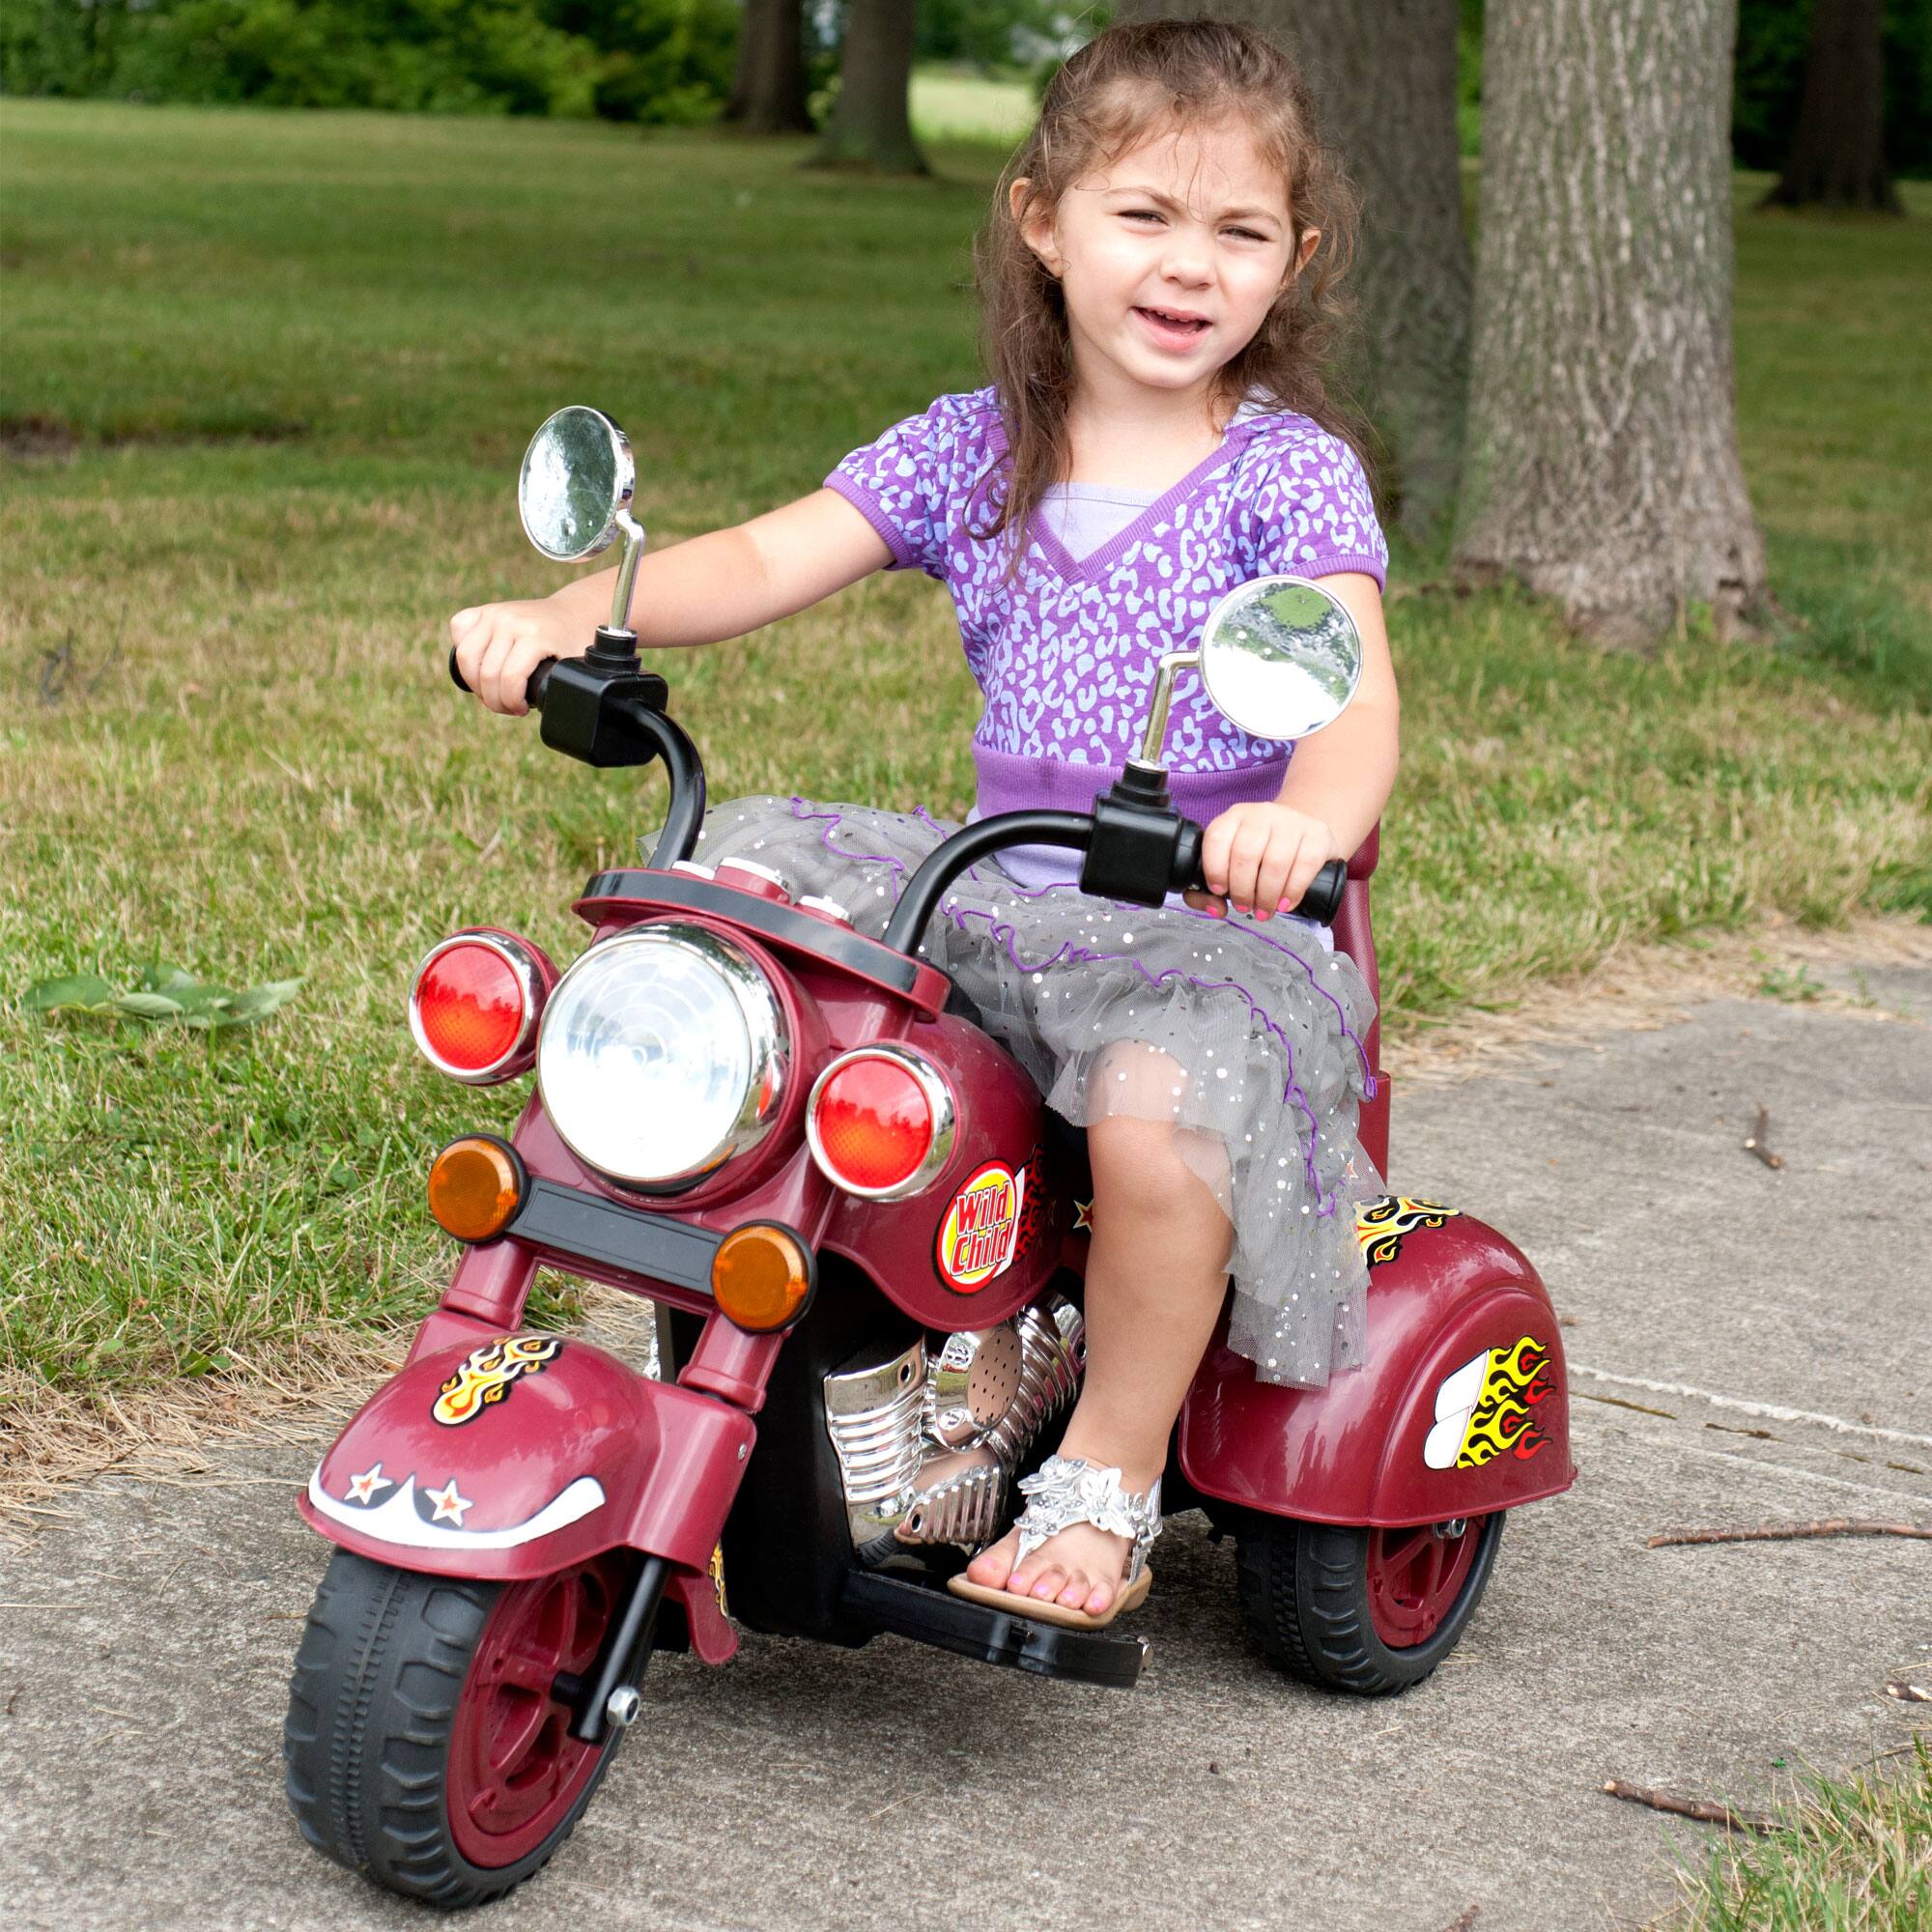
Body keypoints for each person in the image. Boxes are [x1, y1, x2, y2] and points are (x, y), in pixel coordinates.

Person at [449, 17, 1397, 1631]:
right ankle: (851, 1360)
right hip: (1003, 896)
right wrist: (567, 609)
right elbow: (758, 559)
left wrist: (1300, 823)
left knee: (1159, 1119)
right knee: (741, 911)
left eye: (1237, 233)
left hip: (1201, 923)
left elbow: (1354, 694)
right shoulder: (979, 445)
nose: (1188, 268)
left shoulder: (1284, 480)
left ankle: (1102, 1471)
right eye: (1144, 217)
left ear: (1290, 261)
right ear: (1045, 219)